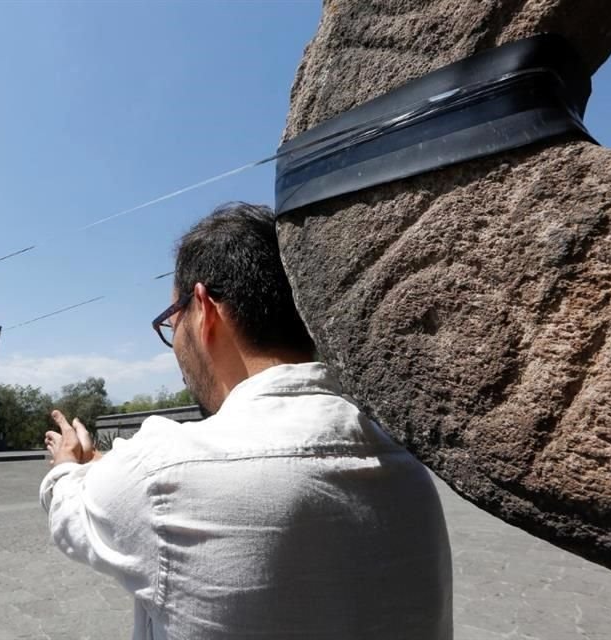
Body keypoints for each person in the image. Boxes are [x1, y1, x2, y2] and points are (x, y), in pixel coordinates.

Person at [40, 202, 452, 639]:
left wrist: (68, 463)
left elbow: (71, 512)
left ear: (203, 308)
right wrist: (103, 462)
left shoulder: (162, 474)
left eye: (171, 322)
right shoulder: (406, 463)